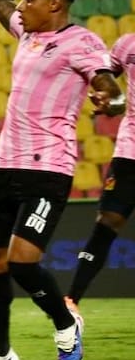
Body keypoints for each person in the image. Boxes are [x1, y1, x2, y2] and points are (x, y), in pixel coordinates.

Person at [0, 0, 123, 360]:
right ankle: (0, 353)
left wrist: (108, 99)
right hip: (5, 162)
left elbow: (109, 86)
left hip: (48, 168)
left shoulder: (81, 42)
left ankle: (65, 323)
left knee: (22, 260)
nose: (22, 3)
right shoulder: (28, 34)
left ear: (55, 4)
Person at [64, 34, 134, 315]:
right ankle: (72, 298)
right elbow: (106, 79)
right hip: (130, 151)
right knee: (108, 219)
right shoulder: (127, 44)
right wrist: (106, 96)